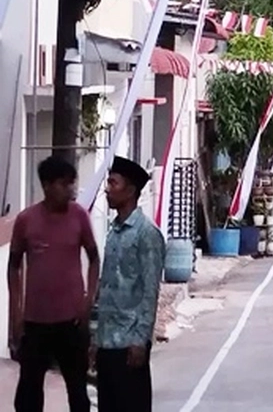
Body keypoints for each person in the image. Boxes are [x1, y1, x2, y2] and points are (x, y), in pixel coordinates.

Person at [8, 156, 99, 412]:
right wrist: (16, 313)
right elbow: (13, 266)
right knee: (28, 395)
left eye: (72, 183)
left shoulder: (79, 217)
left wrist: (88, 300)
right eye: (64, 184)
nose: (71, 189)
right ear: (47, 185)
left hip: (72, 321)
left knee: (78, 392)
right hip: (35, 322)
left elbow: (94, 259)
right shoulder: (27, 220)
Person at [92, 156, 166, 412]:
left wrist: (140, 340)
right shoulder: (114, 231)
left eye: (113, 183)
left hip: (129, 344)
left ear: (131, 190)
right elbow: (108, 286)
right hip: (107, 342)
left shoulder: (147, 233)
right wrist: (96, 337)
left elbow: (149, 291)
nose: (107, 189)